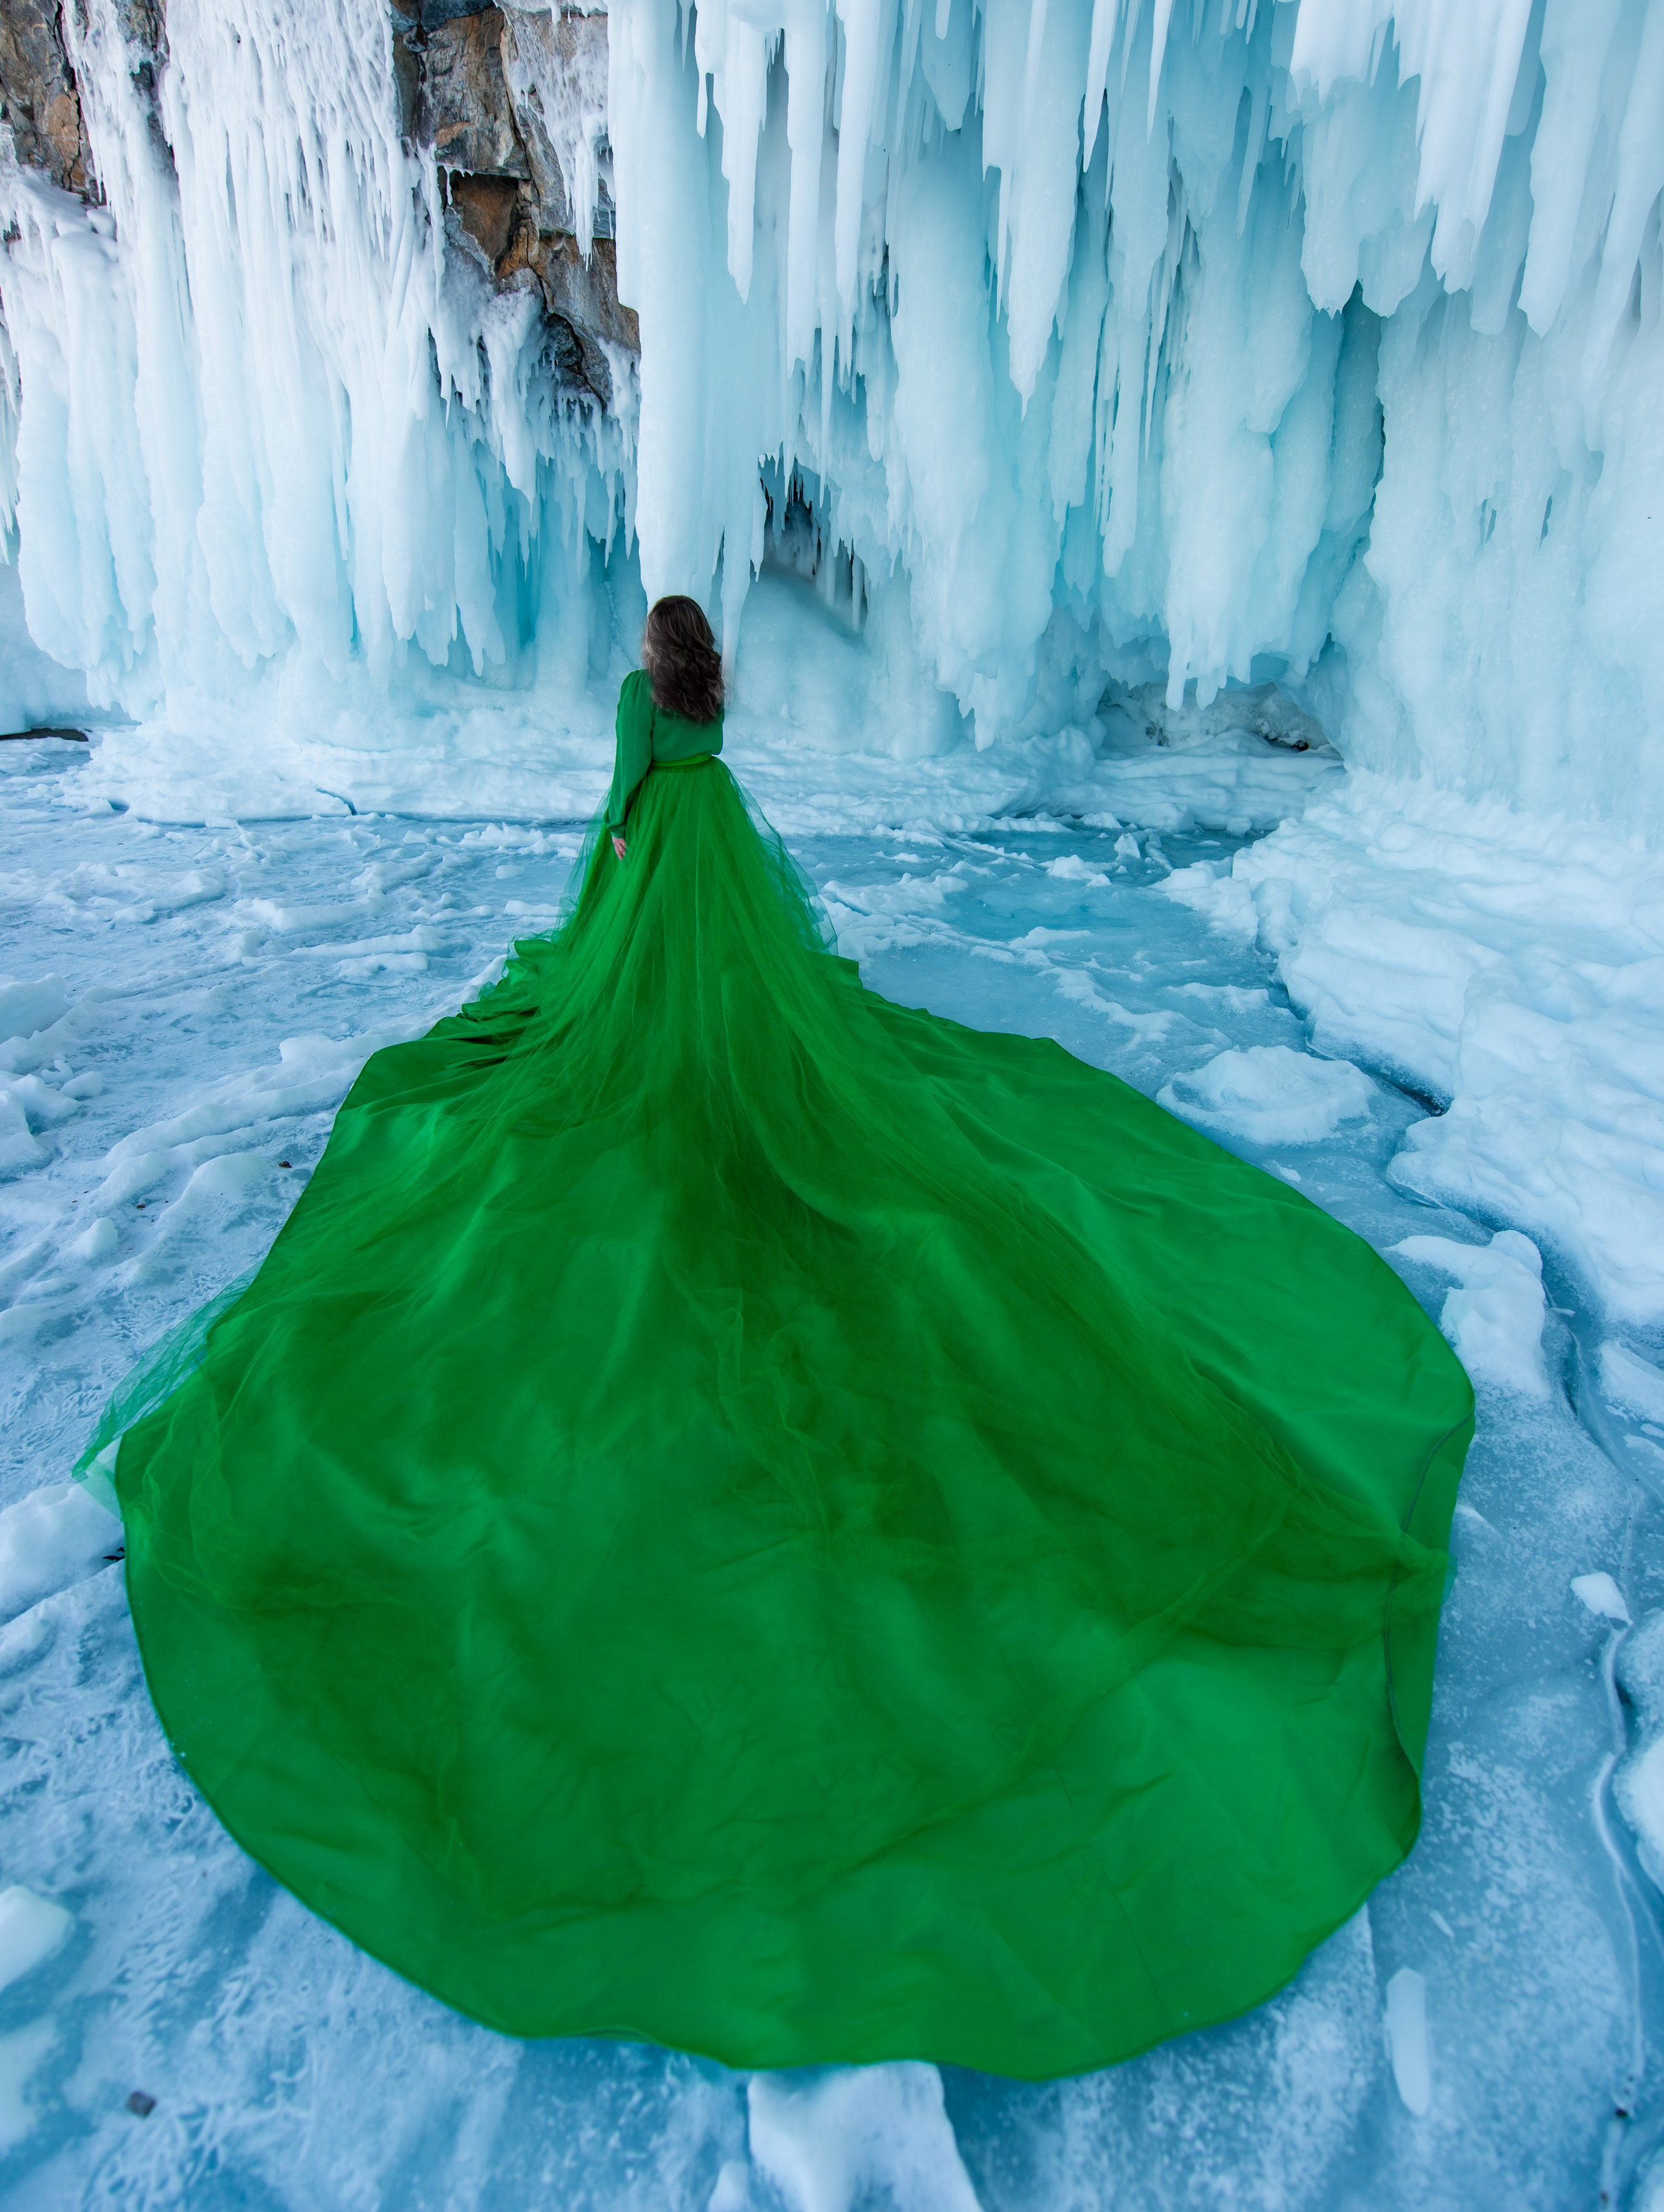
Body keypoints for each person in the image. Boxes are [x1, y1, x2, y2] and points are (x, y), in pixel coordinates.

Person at [88, 593, 1472, 2079]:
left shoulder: (636, 716)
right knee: (757, 1032)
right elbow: (687, 773)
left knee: (612, 1055)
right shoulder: (711, 707)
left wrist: (607, 882)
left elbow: (621, 810)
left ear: (650, 658)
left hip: (654, 871)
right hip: (723, 860)